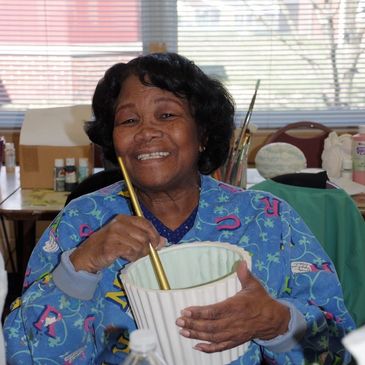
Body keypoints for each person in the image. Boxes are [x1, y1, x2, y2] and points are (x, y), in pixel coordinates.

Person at [4, 53, 355, 364]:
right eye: (128, 121)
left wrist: (277, 322)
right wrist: (80, 267)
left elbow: (339, 354)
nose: (147, 132)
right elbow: (22, 350)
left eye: (167, 114)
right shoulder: (80, 223)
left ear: (202, 134)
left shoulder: (266, 220)